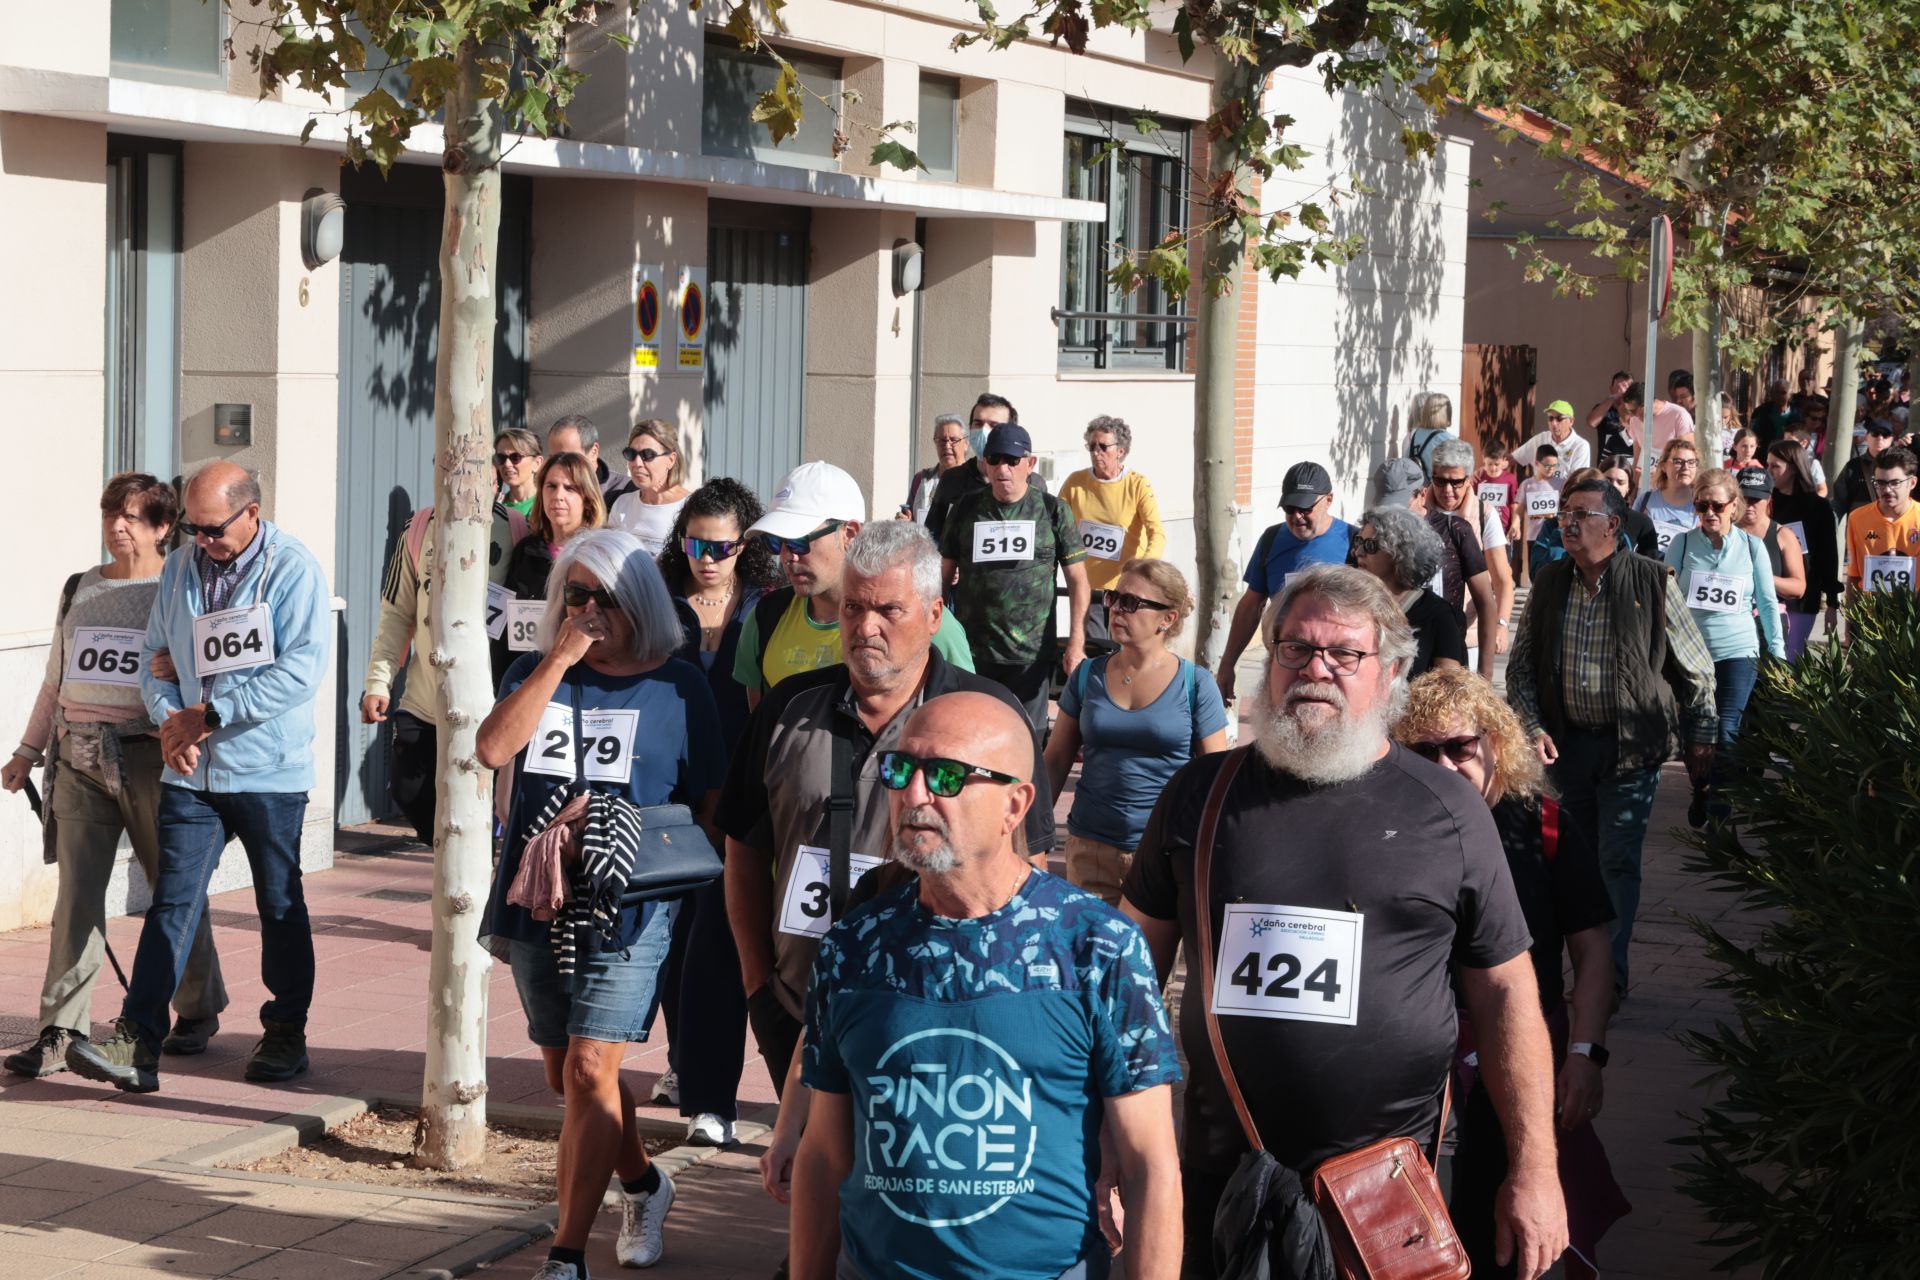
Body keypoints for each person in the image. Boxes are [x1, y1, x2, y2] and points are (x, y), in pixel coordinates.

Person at [1123, 564, 1569, 1280]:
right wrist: (1119, 1139)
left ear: (1390, 674)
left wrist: (1536, 1171)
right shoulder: (1201, 796)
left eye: (1344, 654)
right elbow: (1129, 972)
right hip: (1224, 1175)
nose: (1315, 669)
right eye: (1296, 649)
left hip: (1390, 1188)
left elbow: (1508, 995)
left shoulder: (1448, 812)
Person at [790, 692, 1183, 1280]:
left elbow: (1152, 1166)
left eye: (946, 775)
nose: (914, 795)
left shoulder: (1096, 945)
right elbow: (823, 1153)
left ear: (1015, 805)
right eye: (902, 769)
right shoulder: (855, 945)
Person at [723, 523, 1056, 1204]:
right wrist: (758, 984)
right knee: (811, 1186)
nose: (865, 627)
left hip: (936, 1006)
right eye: (853, 607)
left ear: (934, 615)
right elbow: (745, 853)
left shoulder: (988, 717)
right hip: (798, 998)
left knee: (911, 1186)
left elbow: (1032, 869)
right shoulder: (789, 708)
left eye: (888, 610)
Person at [476, 529, 721, 1277]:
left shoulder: (681, 686)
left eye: (605, 597)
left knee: (589, 1071)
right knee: (569, 1078)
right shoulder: (537, 668)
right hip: (539, 900)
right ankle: (645, 1183)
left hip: (630, 907)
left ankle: (565, 1255)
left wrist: (626, 845)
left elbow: (705, 805)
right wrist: (556, 661)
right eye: (575, 595)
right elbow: (491, 749)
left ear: (639, 600)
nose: (588, 610)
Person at [66, 462, 331, 1094]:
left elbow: (302, 668)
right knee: (172, 904)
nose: (202, 540)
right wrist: (170, 726)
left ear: (252, 514)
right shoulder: (183, 568)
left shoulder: (293, 569)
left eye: (213, 529)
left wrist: (209, 714)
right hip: (193, 773)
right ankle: (137, 1041)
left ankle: (285, 1032)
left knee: (279, 904)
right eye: (192, 527)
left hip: (268, 770)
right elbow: (154, 664)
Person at [1393, 670, 1626, 1280]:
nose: (1443, 765)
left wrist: (1585, 1053)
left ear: (1496, 742)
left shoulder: (1545, 826)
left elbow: (1594, 952)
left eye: (1459, 747)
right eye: (1422, 752)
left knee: (1516, 1232)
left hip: (1520, 1056)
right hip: (1421, 1071)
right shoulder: (1390, 831)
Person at [2, 476, 227, 1078]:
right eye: (110, 514)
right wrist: (27, 750)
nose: (117, 526)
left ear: (161, 527)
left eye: (131, 517)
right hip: (78, 756)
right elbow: (56, 676)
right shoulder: (80, 587)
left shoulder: (178, 587)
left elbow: (201, 672)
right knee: (77, 897)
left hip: (152, 756)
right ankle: (60, 1029)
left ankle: (199, 1006)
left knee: (171, 890)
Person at [1506, 477, 1717, 996]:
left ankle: (1606, 982)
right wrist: (1531, 727)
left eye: (1582, 513)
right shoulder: (1551, 582)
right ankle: (1553, 974)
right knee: (1562, 862)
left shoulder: (1651, 581)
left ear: (1614, 525)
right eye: (1564, 512)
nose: (1569, 522)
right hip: (1565, 749)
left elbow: (1698, 670)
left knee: (1616, 863)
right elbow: (1519, 671)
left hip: (1630, 750)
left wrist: (1702, 739)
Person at [650, 478, 785, 1146]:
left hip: (738, 805)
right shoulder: (657, 603)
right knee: (669, 948)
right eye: (694, 540)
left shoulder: (767, 607)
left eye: (721, 544)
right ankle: (684, 1064)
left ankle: (713, 1100)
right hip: (665, 802)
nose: (705, 555)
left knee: (722, 949)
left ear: (744, 546)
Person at [1042, 560, 1228, 905]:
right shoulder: (1087, 676)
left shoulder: (1195, 685)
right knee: (1090, 956)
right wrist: (1032, 840)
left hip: (1162, 850)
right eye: (1113, 598)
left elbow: (1215, 778)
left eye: (1130, 603)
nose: (1115, 610)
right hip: (1090, 847)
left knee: (1150, 961)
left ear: (1167, 619)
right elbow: (1054, 762)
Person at [736, 460, 974, 709]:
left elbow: (965, 711)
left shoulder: (926, 619)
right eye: (776, 542)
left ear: (849, 534)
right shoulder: (764, 619)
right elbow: (762, 729)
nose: (786, 556)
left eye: (798, 542)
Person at [361, 490, 527, 842]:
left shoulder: (515, 529)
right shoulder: (419, 527)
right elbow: (396, 612)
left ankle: (475, 879)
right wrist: (379, 680)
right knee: (409, 790)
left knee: (481, 807)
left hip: (487, 704)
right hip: (424, 700)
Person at [939, 422, 1092, 732]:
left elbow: (1078, 580)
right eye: (994, 459)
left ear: (1029, 464)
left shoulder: (1052, 511)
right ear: (985, 463)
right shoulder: (966, 508)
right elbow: (942, 575)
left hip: (1031, 656)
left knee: (1027, 739)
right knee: (973, 734)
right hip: (973, 654)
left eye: (1011, 459)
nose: (1002, 468)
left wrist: (1076, 641)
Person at [1664, 469, 1783, 826]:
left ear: (1735, 506)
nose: (1710, 513)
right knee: (1695, 728)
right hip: (1692, 655)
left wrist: (1776, 657)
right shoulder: (1682, 544)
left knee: (1727, 727)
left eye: (1717, 505)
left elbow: (1766, 602)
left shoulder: (1752, 546)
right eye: (1702, 506)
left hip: (1739, 651)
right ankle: (1702, 787)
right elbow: (1666, 601)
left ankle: (1720, 801)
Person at [1213, 460, 1353, 702]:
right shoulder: (1271, 539)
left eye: (1305, 508)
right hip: (1285, 667)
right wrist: (1228, 664)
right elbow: (1251, 605)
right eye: (1289, 508)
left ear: (1328, 500)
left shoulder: (1355, 542)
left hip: (1335, 673)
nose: (1296, 516)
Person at [1058, 415, 1166, 656]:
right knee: (1096, 651)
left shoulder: (1137, 484)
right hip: (1089, 588)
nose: (1096, 452)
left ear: (1120, 451)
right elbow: (1055, 526)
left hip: (1125, 591)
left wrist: (1142, 569)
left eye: (1103, 447)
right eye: (1092, 446)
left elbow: (1156, 532)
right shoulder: (1075, 483)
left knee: (1125, 650)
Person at [497, 452, 607, 681]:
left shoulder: (603, 554)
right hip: (525, 677)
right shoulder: (525, 550)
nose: (558, 496)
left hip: (583, 682)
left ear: (587, 497)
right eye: (551, 486)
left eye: (570, 488)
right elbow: (503, 626)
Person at [1426, 439, 1511, 675]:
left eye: (1456, 482)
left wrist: (1501, 624)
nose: (1447, 490)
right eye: (1440, 481)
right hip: (1422, 634)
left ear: (1470, 478)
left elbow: (1503, 579)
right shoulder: (1417, 510)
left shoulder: (1484, 514)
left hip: (1468, 636)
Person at [1353, 505, 1466, 679]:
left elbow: (1448, 693)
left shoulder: (1438, 615)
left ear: (1400, 554)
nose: (1358, 552)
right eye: (1358, 542)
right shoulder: (1351, 605)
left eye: (1370, 545)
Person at [923, 393, 1050, 541]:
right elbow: (931, 538)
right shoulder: (952, 479)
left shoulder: (1034, 483)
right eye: (978, 423)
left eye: (994, 426)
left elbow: (1046, 539)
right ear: (969, 428)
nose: (984, 431)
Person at [1766, 438, 1840, 658]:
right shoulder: (1764, 503)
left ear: (1793, 467)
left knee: (1790, 658)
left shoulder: (1818, 507)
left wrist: (1833, 602)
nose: (1769, 471)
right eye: (1767, 464)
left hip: (1803, 597)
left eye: (1775, 466)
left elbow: (1828, 555)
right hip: (1767, 592)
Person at [1734, 466, 1805, 655]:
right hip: (1730, 620)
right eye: (1744, 498)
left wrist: (1761, 576)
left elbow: (1798, 587)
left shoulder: (1783, 535)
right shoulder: (1725, 532)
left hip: (1767, 622)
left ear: (1768, 500)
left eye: (1755, 499)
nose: (1749, 504)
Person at [1844, 447, 1920, 604]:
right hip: (1872, 614)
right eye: (1880, 483)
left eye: (1895, 483)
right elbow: (1854, 574)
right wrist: (1850, 623)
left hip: (1913, 615)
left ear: (1912, 483)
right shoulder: (1857, 518)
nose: (1887, 489)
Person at [607, 419, 691, 555]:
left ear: (671, 460)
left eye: (647, 455)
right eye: (631, 454)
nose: (637, 463)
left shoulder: (690, 508)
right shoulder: (622, 505)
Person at [1633, 438, 1701, 555]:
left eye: (1691, 462)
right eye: (1678, 461)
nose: (1686, 467)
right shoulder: (1645, 500)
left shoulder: (1702, 505)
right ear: (1663, 466)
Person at [901, 413, 970, 525]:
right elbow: (910, 521)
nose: (947, 446)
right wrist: (905, 523)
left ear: (966, 444)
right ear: (935, 442)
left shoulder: (975, 480)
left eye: (953, 440)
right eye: (942, 440)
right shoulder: (921, 479)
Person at [548, 412, 630, 504]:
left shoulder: (624, 491)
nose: (559, 465)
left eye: (569, 459)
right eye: (553, 459)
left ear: (593, 452)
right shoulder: (549, 491)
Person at [1829, 419, 1897, 515]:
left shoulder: (1899, 466)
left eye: (1885, 435)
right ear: (1867, 437)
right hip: (1860, 526)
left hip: (1891, 525)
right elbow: (1837, 504)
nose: (1880, 438)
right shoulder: (1852, 467)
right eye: (1875, 433)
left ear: (1891, 439)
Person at [1599, 457, 1659, 556]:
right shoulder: (1585, 515)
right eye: (1608, 480)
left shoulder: (1642, 523)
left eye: (1620, 482)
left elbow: (1650, 566)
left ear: (1628, 487)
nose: (1614, 486)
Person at [1514, 399, 1592, 475]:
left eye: (1559, 418)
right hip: (1539, 487)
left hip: (1565, 488)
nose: (1554, 423)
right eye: (1550, 418)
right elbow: (1513, 459)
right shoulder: (1541, 438)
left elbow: (1578, 480)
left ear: (1571, 421)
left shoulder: (1580, 445)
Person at [495, 427, 544, 518]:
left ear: (537, 463)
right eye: (501, 458)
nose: (507, 464)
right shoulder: (494, 508)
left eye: (515, 457)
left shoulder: (548, 506)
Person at [1587, 372, 1635, 460]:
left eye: (1627, 387)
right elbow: (1591, 422)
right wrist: (1614, 397)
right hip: (1606, 463)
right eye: (1618, 386)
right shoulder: (1604, 409)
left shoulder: (1635, 411)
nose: (1623, 390)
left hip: (1628, 463)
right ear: (1611, 388)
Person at [1749, 378, 1800, 449]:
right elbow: (1752, 434)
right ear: (1772, 394)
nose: (1779, 396)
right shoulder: (1761, 411)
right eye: (1777, 392)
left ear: (1790, 396)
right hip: (1764, 454)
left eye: (1783, 393)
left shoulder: (1798, 415)